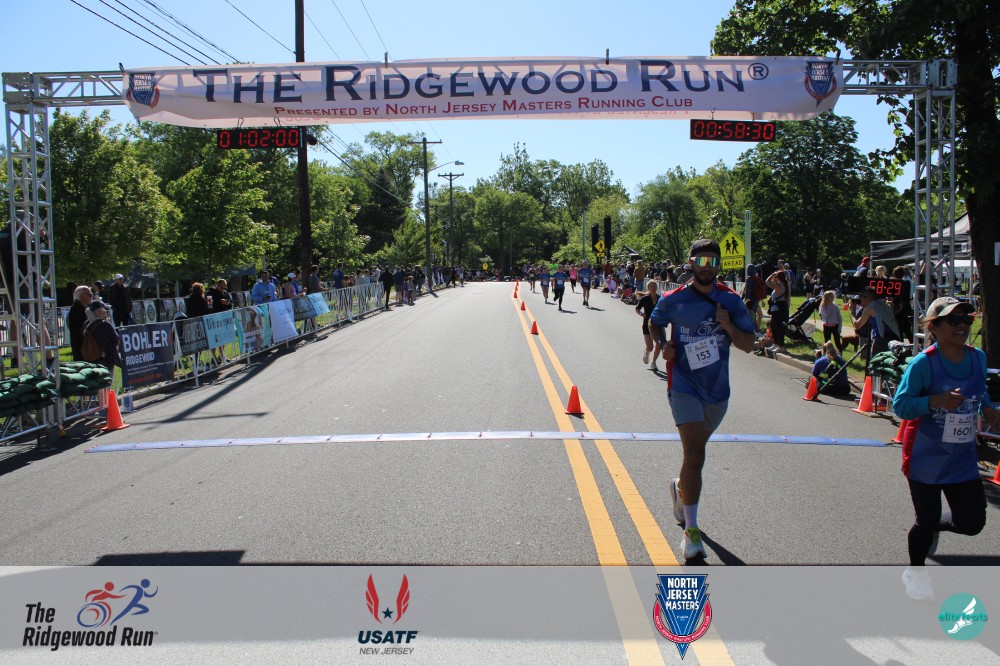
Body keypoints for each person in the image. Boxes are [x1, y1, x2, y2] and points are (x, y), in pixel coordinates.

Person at [649, 239, 756, 560]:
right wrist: (664, 344)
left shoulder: (730, 300)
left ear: (719, 265)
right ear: (690, 263)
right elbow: (654, 322)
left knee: (693, 457)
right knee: (695, 455)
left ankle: (680, 487)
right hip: (683, 385)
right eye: (701, 261)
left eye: (712, 262)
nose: (707, 268)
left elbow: (748, 344)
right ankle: (691, 534)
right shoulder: (674, 299)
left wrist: (728, 326)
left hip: (717, 391)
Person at [893, 297, 999, 600]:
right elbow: (901, 406)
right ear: (934, 327)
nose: (962, 325)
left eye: (967, 319)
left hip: (961, 457)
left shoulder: (977, 357)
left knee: (972, 524)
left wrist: (987, 407)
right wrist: (934, 401)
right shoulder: (924, 363)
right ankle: (915, 573)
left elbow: (980, 390)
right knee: (925, 519)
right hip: (924, 457)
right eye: (953, 320)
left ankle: (930, 525)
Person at [83, 301, 121, 373]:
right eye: (104, 309)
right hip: (106, 359)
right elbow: (116, 339)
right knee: (107, 378)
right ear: (98, 312)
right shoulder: (105, 325)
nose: (105, 312)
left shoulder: (86, 324)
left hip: (90, 358)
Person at [634, 280, 661, 371]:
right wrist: (641, 314)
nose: (653, 288)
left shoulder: (660, 299)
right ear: (648, 288)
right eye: (651, 286)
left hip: (658, 324)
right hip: (647, 324)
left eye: (655, 286)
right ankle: (647, 352)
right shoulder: (644, 299)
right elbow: (637, 309)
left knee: (659, 344)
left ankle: (653, 363)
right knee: (650, 347)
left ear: (657, 288)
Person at [765, 264, 790, 353]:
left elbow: (767, 282)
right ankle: (776, 343)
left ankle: (781, 345)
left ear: (778, 278)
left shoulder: (779, 286)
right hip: (780, 307)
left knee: (778, 327)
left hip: (778, 307)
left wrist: (772, 275)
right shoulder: (785, 284)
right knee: (774, 325)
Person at [68, 285, 93, 361]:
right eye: (89, 294)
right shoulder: (77, 309)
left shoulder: (82, 307)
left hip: (83, 345)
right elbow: (80, 329)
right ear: (81, 296)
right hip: (81, 346)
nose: (91, 296)